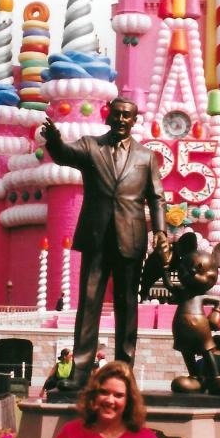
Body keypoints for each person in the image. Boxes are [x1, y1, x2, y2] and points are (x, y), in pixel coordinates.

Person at [42, 98, 168, 389]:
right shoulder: (91, 146)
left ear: (134, 120)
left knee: (127, 305)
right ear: (108, 115)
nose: (122, 119)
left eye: (128, 115)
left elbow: (156, 198)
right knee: (88, 304)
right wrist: (55, 140)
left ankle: (125, 371)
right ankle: (80, 372)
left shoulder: (146, 157)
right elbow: (64, 155)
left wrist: (160, 232)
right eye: (118, 114)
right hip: (96, 237)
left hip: (131, 237)